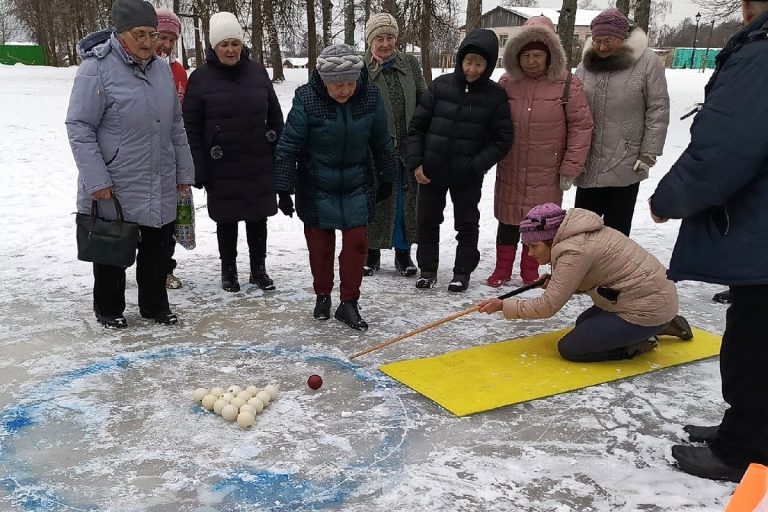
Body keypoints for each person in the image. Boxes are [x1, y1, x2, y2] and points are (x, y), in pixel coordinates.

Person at [649, 0, 768, 483]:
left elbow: (726, 146)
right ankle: (745, 427)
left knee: (755, 341)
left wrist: (672, 196)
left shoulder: (761, 55)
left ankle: (743, 447)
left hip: (760, 227)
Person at [66, 0, 194, 328]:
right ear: (120, 33)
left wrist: (184, 171)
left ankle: (154, 305)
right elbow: (79, 126)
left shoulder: (162, 69)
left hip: (160, 174)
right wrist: (96, 179)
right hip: (116, 179)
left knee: (157, 248)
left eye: (153, 34)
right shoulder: (96, 69)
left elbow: (176, 124)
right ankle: (108, 309)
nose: (149, 42)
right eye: (140, 34)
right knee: (113, 249)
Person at [273, 44, 398, 330]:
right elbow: (288, 145)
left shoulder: (369, 97)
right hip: (316, 185)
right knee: (320, 247)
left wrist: (387, 177)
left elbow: (381, 140)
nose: (345, 91)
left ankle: (349, 303)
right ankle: (322, 296)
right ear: (325, 81)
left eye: (350, 83)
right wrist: (283, 188)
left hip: (357, 183)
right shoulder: (307, 99)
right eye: (338, 85)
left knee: (356, 244)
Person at [478, 203, 692, 362]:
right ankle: (659, 323)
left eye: (534, 246)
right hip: (647, 296)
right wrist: (553, 281)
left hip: (648, 307)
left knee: (571, 348)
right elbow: (590, 277)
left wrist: (502, 306)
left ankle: (643, 338)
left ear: (551, 239)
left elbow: (547, 307)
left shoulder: (574, 251)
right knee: (584, 324)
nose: (530, 253)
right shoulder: (579, 235)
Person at [183, 11, 285, 293]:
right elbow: (190, 126)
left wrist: (279, 153)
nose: (231, 50)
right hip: (222, 165)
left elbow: (276, 118)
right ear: (214, 47)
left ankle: (258, 270)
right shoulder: (200, 79)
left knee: (258, 218)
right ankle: (228, 271)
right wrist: (198, 167)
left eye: (235, 44)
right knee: (226, 220)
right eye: (224, 44)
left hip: (257, 160)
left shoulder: (257, 72)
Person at [488, 16, 593, 288]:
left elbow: (581, 127)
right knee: (509, 219)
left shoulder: (568, 83)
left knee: (540, 225)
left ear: (550, 55)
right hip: (511, 166)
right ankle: (502, 269)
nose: (532, 61)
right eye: (526, 55)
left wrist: (570, 167)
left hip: (547, 169)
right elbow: (492, 119)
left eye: (538, 55)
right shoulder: (507, 82)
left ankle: (530, 270)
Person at [406, 29, 513, 292]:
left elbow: (502, 140)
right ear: (460, 60)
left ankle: (462, 271)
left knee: (466, 223)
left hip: (467, 174)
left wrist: (476, 165)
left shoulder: (495, 95)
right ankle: (428, 269)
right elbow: (417, 127)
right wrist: (416, 162)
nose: (473, 69)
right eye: (469, 62)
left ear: (488, 65)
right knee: (427, 220)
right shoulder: (440, 86)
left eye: (479, 63)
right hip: (431, 171)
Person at [574, 8, 669, 236]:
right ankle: (583, 270)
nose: (602, 47)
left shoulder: (647, 62)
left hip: (626, 158)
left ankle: (613, 271)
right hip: (590, 158)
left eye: (608, 41)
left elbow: (658, 108)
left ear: (624, 39)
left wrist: (649, 152)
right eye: (597, 41)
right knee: (583, 226)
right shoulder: (586, 64)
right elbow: (574, 108)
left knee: (617, 228)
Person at [362, 13, 427, 278]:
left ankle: (403, 254)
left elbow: (423, 98)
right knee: (377, 200)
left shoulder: (410, 64)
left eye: (390, 37)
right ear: (370, 41)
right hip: (374, 147)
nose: (386, 43)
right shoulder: (361, 68)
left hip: (408, 146)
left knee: (405, 201)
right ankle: (371, 253)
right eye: (379, 38)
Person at [155, 7, 188, 290]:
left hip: (171, 157)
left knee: (169, 219)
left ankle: (165, 268)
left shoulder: (177, 71)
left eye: (171, 40)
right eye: (161, 37)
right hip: (140, 157)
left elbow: (183, 116)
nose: (165, 45)